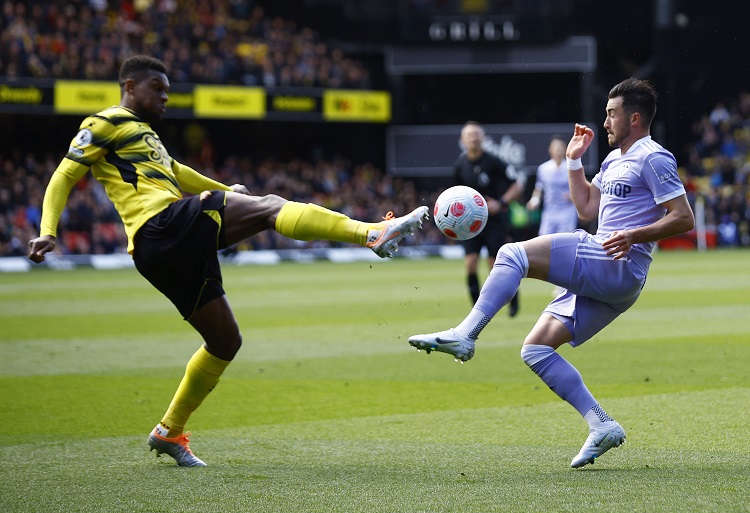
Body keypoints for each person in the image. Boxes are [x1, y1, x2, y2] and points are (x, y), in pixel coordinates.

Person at [27, 55, 429, 467]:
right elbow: (64, 175)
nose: (165, 97)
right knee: (272, 206)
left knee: (224, 341)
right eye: (157, 88)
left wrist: (226, 189)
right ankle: (370, 233)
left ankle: (169, 431)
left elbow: (179, 173)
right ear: (130, 86)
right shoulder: (104, 122)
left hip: (159, 252)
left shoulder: (144, 134)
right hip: (161, 227)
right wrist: (48, 230)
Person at [409, 78, 695, 468]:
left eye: (612, 114)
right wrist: (575, 161)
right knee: (536, 349)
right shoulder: (613, 160)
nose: (606, 121)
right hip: (616, 277)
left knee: (512, 254)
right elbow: (586, 209)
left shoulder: (653, 157)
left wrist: (633, 235)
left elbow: (683, 218)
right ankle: (601, 425)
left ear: (635, 117)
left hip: (616, 261)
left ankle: (465, 335)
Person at [453, 121, 524, 315]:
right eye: (470, 135)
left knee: (495, 266)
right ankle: (478, 309)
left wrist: (501, 202)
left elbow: (517, 186)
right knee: (470, 263)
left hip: (494, 222)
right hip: (470, 225)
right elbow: (455, 194)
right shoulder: (460, 165)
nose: (474, 138)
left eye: (477, 134)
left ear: (482, 138)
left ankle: (513, 297)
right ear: (463, 140)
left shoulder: (494, 161)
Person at [526, 135, 579, 235]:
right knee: (543, 242)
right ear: (550, 149)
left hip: (567, 213)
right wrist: (534, 201)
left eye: (561, 146)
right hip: (549, 213)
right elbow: (539, 189)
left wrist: (574, 197)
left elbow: (580, 188)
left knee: (564, 243)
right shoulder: (543, 168)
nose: (558, 149)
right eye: (556, 146)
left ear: (565, 149)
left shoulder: (572, 167)